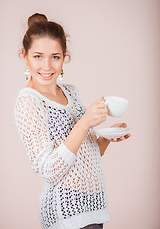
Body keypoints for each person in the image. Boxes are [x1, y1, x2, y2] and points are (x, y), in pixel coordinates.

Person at [14, 13, 131, 229]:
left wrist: (106, 138)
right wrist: (85, 122)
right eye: (38, 56)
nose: (47, 66)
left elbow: (81, 153)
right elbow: (50, 171)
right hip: (66, 212)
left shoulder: (70, 91)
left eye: (55, 57)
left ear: (64, 56)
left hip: (93, 207)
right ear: (25, 56)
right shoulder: (29, 102)